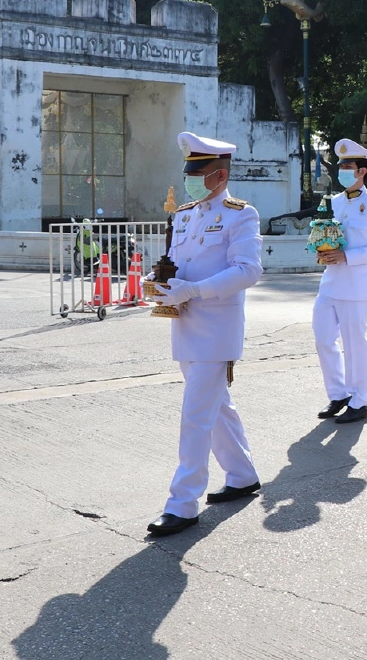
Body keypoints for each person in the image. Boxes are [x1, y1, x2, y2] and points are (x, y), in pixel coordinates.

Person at [146, 132, 265, 536]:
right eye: (189, 173)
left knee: (195, 415)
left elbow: (248, 270)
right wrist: (160, 279)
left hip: (216, 328)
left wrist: (194, 289)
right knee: (217, 408)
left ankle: (183, 502)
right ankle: (242, 474)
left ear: (220, 174)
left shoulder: (240, 214)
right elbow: (177, 263)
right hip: (184, 323)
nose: (192, 180)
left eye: (199, 174)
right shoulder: (184, 214)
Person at [313, 139, 367, 424]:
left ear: (362, 171)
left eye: (348, 167)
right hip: (330, 282)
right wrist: (320, 252)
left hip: (357, 284)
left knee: (354, 344)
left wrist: (346, 257)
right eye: (341, 167)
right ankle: (338, 394)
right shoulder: (333, 203)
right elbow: (323, 236)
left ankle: (359, 401)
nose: (343, 172)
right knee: (323, 338)